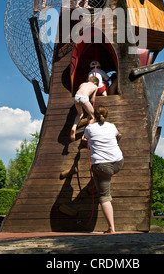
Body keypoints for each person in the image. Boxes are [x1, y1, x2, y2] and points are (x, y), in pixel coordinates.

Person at [82, 106, 124, 234]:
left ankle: (112, 228)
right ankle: (100, 181)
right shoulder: (112, 126)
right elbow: (119, 135)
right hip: (118, 162)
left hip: (102, 166)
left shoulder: (89, 128)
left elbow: (84, 139)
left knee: (104, 196)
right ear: (106, 116)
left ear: (94, 115)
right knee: (105, 175)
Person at [70, 76, 99, 142]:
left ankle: (74, 127)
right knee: (93, 117)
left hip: (76, 97)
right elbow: (92, 100)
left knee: (80, 114)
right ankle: (85, 135)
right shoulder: (95, 87)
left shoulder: (82, 84)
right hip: (84, 98)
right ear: (95, 83)